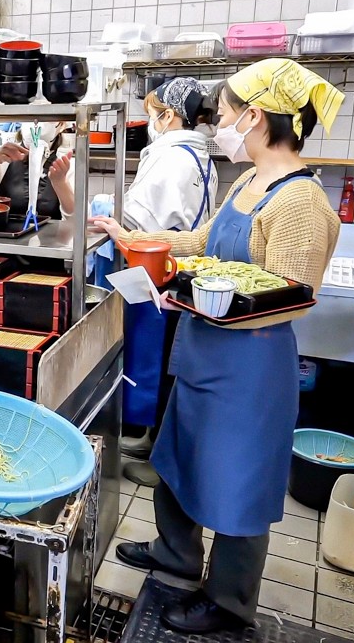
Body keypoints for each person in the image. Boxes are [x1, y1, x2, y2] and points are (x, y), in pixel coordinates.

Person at [90, 59, 343, 635]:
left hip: (249, 366)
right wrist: (135, 240)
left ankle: (228, 601)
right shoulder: (250, 182)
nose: (218, 125)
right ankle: (176, 554)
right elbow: (201, 241)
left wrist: (190, 289)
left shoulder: (300, 201)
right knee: (180, 457)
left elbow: (291, 295)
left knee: (238, 479)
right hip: (205, 352)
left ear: (255, 116)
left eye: (225, 115)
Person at [118, 78, 218, 485]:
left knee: (156, 359)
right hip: (181, 268)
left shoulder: (171, 156)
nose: (149, 119)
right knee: (162, 361)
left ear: (171, 115)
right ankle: (151, 439)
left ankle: (159, 460)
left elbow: (139, 219)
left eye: (153, 110)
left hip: (160, 269)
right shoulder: (199, 155)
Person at [0, 122, 75, 219]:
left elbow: (77, 219)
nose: (37, 123)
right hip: (3, 245)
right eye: (30, 116)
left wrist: (60, 183)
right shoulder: (1, 156)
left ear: (61, 124)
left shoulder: (67, 164)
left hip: (50, 247)